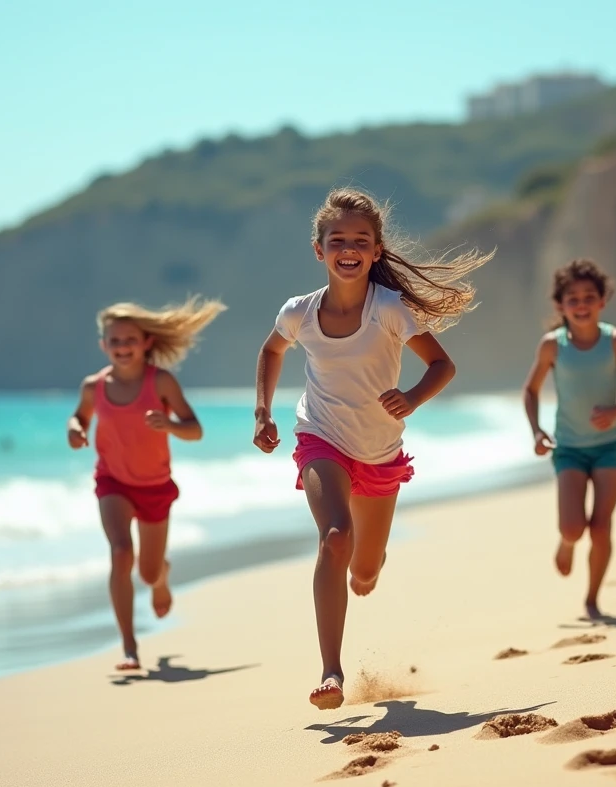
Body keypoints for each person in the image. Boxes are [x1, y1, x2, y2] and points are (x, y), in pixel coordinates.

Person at [252, 187, 492, 710]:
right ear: (319, 249)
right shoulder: (299, 313)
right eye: (337, 238)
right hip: (321, 436)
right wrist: (263, 412)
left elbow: (442, 365)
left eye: (361, 239)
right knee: (335, 538)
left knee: (363, 570)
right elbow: (272, 351)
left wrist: (411, 398)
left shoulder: (388, 309)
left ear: (376, 250)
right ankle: (331, 671)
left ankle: (370, 563)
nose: (349, 247)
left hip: (380, 451)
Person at [68, 298, 224, 671]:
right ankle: (129, 647)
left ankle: (161, 578)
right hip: (112, 483)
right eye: (114, 341)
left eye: (129, 340)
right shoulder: (94, 386)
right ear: (104, 345)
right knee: (121, 553)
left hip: (155, 486)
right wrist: (75, 431)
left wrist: (170, 425)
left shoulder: (161, 382)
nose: (122, 347)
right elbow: (78, 417)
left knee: (149, 571)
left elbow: (195, 429)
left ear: (146, 343)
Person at [522, 259, 616, 620]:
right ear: (560, 305)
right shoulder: (552, 346)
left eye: (589, 297)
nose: (581, 304)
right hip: (570, 449)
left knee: (602, 526)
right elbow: (530, 391)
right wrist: (537, 431)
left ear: (602, 301)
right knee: (574, 527)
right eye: (572, 298)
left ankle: (592, 599)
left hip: (609, 447)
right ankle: (566, 542)